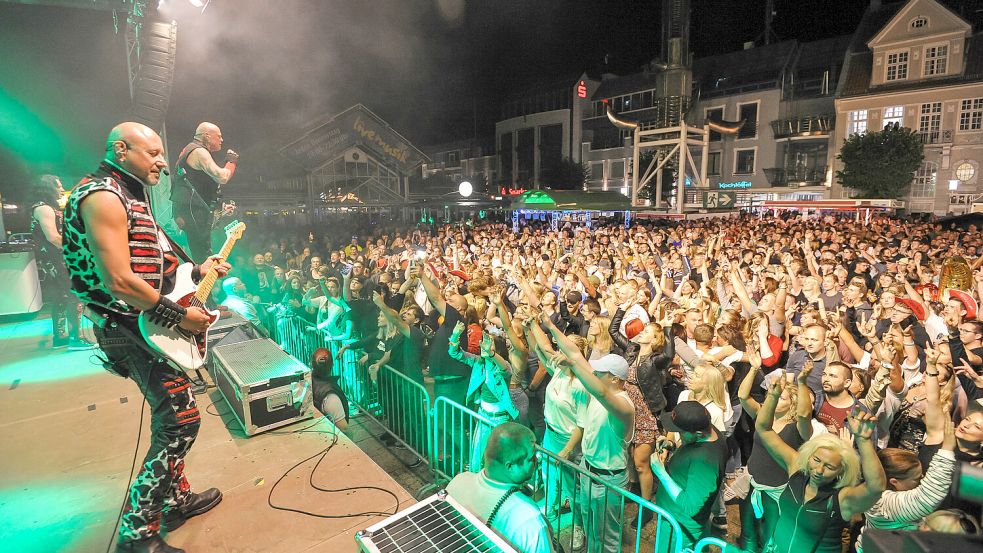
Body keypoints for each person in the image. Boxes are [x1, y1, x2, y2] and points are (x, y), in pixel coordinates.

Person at [62, 122, 230, 553]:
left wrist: (196, 270)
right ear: (121, 149)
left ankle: (175, 501)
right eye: (152, 153)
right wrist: (180, 317)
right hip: (130, 329)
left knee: (178, 413)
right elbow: (119, 280)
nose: (161, 161)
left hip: (142, 325)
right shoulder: (104, 195)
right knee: (179, 422)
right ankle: (137, 534)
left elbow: (154, 267)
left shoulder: (129, 196)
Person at [755, 377, 886, 553]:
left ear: (841, 471)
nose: (819, 470)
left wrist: (863, 440)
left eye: (829, 467)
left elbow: (876, 487)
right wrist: (772, 396)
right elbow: (764, 429)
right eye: (816, 460)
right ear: (809, 455)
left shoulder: (841, 499)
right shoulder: (796, 469)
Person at [445, 422, 556, 553]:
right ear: (510, 466)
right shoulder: (529, 521)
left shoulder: (458, 482)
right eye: (531, 458)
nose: (537, 461)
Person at [650, 401, 728, 553]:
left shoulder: (705, 463)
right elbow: (690, 450)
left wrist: (661, 473)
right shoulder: (710, 432)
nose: (678, 434)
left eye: (681, 431)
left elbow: (691, 506)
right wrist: (670, 446)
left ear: (698, 434)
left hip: (680, 527)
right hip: (675, 519)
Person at [30, 174, 94, 350]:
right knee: (74, 296)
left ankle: (61, 338)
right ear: (48, 187)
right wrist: (78, 248)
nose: (61, 188)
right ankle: (76, 338)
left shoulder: (45, 207)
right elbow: (52, 237)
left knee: (61, 297)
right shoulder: (44, 209)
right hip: (57, 259)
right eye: (58, 185)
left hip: (54, 259)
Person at [171, 122, 238, 261]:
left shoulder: (190, 149)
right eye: (218, 136)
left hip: (190, 210)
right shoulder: (199, 151)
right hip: (194, 212)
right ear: (207, 136)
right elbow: (222, 177)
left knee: (203, 254)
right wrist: (231, 162)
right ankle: (203, 281)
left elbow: (198, 186)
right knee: (203, 257)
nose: (222, 139)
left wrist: (222, 209)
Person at [310, 348, 350, 433]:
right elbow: (344, 428)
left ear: (311, 364)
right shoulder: (331, 396)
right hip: (329, 435)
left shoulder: (307, 381)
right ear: (332, 365)